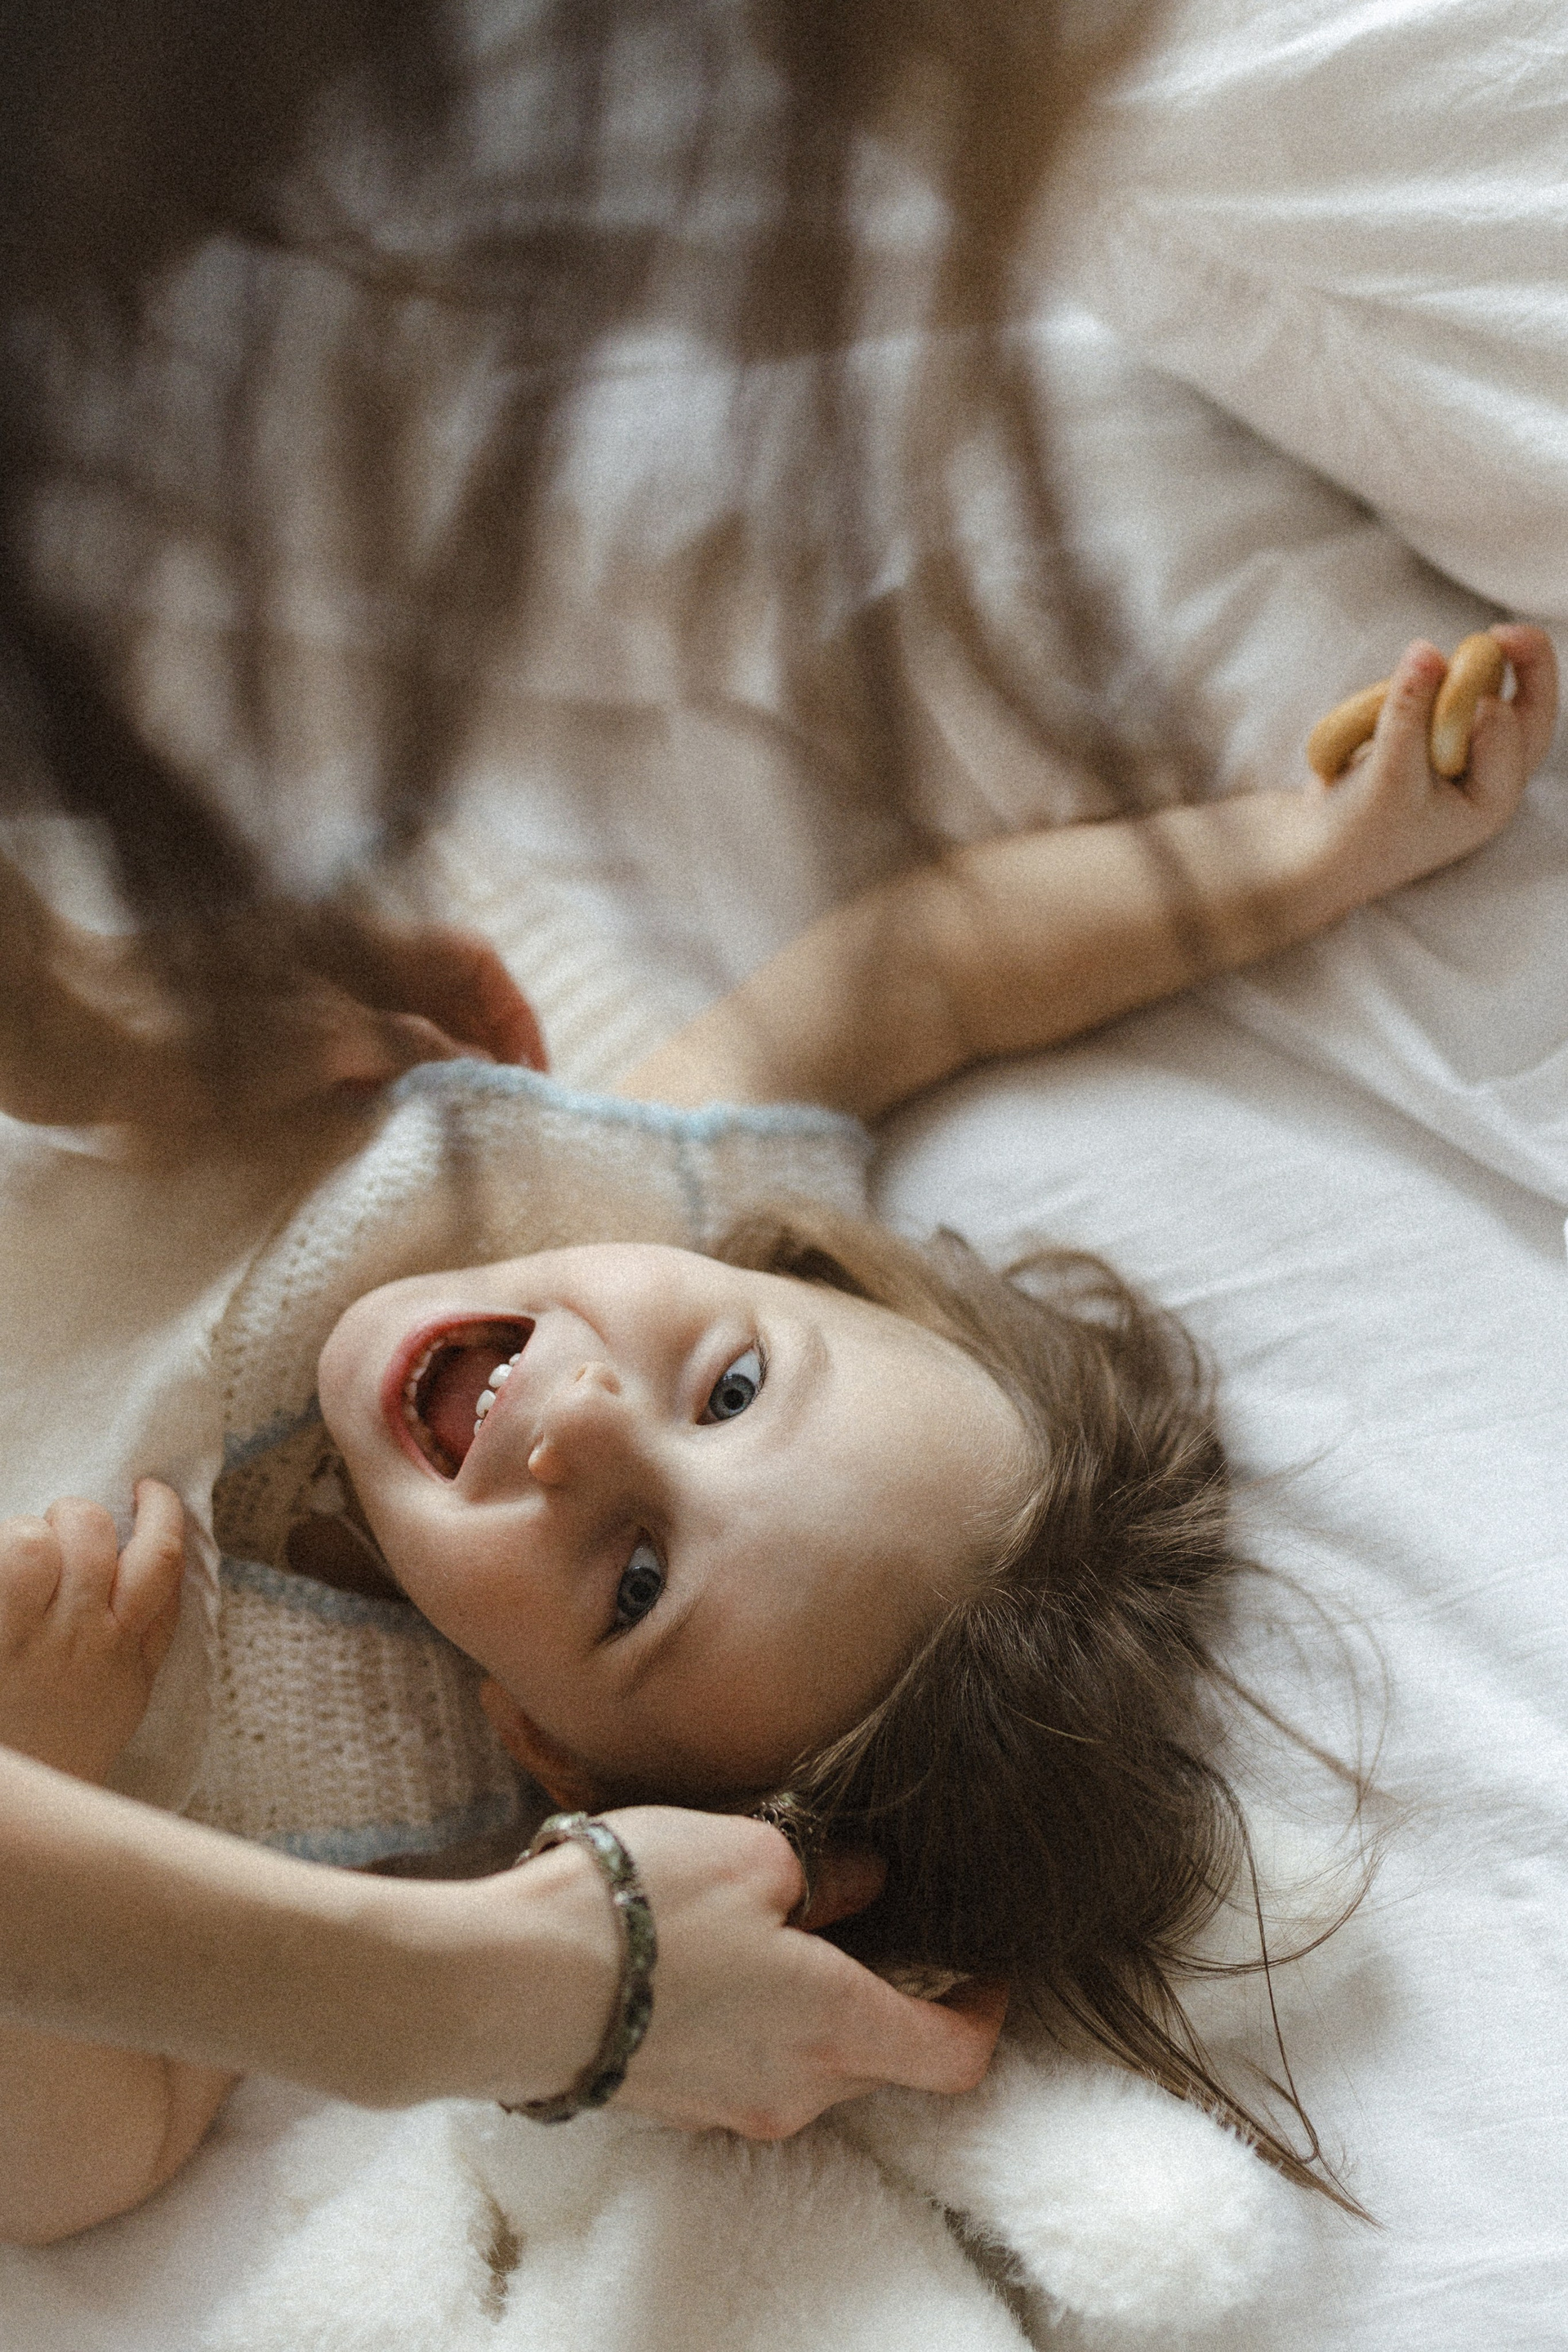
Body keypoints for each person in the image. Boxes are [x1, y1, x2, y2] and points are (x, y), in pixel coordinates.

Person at [0, 626, 1554, 2243]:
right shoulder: (605, 1192)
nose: (585, 1429)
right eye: (731, 1390)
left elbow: (90, 2156)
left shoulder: (344, 1812)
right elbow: (933, 970)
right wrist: (1316, 852)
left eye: (637, 1583)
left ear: (551, 1753)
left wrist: (39, 1756)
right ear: (775, 1266)